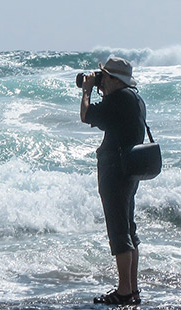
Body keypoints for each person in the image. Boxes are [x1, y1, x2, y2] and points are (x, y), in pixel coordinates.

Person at [80, 57, 146, 305]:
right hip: (129, 169)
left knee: (119, 231)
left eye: (104, 76)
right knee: (128, 229)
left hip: (116, 170)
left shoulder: (118, 99)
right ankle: (132, 289)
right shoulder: (134, 98)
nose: (101, 79)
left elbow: (87, 115)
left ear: (114, 80)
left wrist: (87, 90)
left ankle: (124, 291)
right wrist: (101, 89)